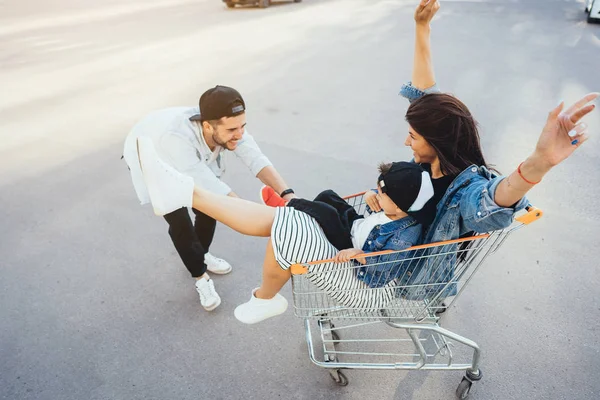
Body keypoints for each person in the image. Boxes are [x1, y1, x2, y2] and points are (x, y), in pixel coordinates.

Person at [122, 85, 296, 311]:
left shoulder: (227, 124)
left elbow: (256, 158)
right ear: (206, 125)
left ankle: (201, 255)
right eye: (233, 129)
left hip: (187, 156)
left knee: (207, 212)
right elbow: (218, 193)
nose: (240, 134)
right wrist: (268, 219)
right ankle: (200, 277)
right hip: (153, 156)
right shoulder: (175, 140)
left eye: (243, 126)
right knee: (180, 221)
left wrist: (288, 195)